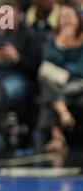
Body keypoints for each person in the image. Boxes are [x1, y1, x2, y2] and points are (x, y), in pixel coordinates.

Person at [34, 4, 83, 152]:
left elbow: (80, 69)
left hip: (78, 83)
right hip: (58, 85)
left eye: (69, 17)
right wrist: (61, 43)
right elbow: (46, 64)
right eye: (63, 17)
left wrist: (63, 71)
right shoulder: (53, 40)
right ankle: (62, 115)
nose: (66, 20)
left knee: (48, 96)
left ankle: (57, 137)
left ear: (78, 20)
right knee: (45, 80)